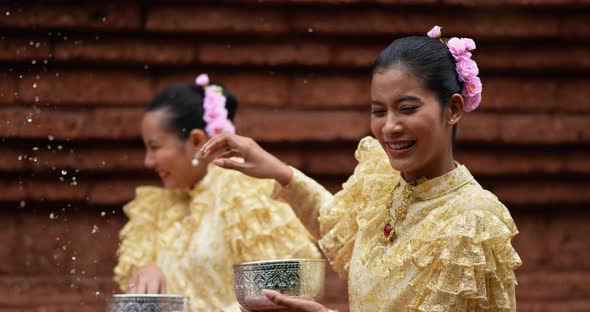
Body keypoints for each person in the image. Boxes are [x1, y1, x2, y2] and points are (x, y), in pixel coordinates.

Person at [201, 26, 522, 311]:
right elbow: (337, 226)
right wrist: (279, 171)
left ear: (452, 109)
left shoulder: (472, 220)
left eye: (407, 108)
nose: (390, 127)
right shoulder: (385, 184)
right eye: (378, 111)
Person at [113, 74, 321, 311]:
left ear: (196, 140)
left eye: (155, 147)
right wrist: (145, 267)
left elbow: (282, 294)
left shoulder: (247, 194)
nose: (148, 161)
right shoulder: (154, 207)